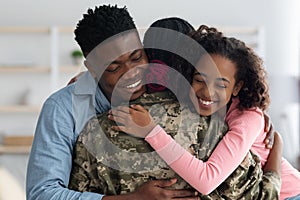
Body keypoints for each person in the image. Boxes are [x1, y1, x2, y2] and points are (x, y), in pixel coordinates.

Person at [68, 18, 281, 199]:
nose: (208, 91)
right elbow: (264, 194)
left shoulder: (96, 129)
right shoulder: (214, 128)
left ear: (147, 56)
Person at [26, 5, 198, 200]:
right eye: (114, 67)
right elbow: (42, 194)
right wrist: (135, 198)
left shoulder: (165, 85)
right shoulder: (61, 109)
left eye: (136, 57)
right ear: (92, 69)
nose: (131, 73)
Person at [114, 25, 300, 199]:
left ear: (237, 87)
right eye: (199, 80)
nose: (207, 92)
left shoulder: (247, 118)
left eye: (221, 84)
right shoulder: (192, 104)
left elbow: (207, 180)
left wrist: (150, 131)